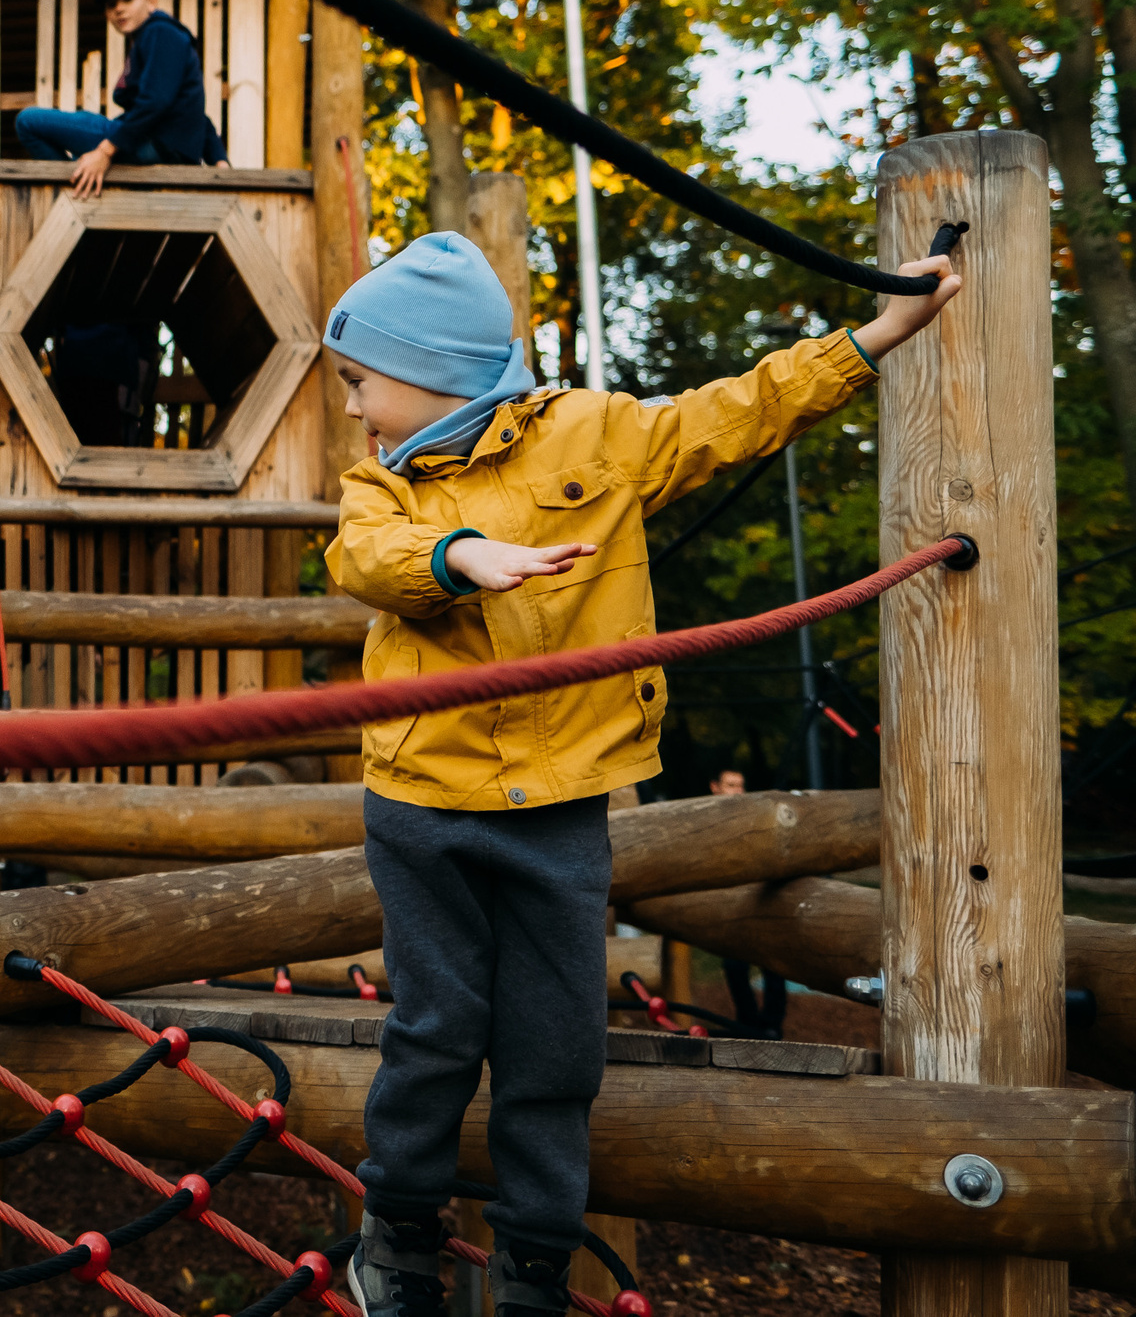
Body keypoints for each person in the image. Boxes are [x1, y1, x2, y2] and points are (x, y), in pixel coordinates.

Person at [322, 234, 960, 1315]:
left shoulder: (598, 437)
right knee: (434, 1031)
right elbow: (362, 558)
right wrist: (460, 556)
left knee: (556, 1041)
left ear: (429, 369)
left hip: (560, 806)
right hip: (423, 807)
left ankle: (531, 1258)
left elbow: (737, 412)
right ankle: (399, 1233)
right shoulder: (382, 486)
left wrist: (874, 339)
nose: (349, 407)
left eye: (356, 380)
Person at [14, 0, 228, 198]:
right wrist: (220, 160)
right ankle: (83, 180)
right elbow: (192, 112)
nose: (119, 8)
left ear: (151, 0)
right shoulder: (158, 39)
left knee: (28, 121)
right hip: (157, 145)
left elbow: (156, 101)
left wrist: (105, 152)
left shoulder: (160, 32)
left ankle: (71, 194)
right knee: (83, 140)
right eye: (110, 4)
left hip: (152, 144)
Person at [708, 769, 790, 1037]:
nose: (737, 791)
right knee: (734, 965)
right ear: (715, 787)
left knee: (774, 964)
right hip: (730, 904)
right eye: (731, 785)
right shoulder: (707, 821)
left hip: (760, 898)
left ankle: (772, 1024)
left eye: (741, 785)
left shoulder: (755, 816)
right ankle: (748, 1022)